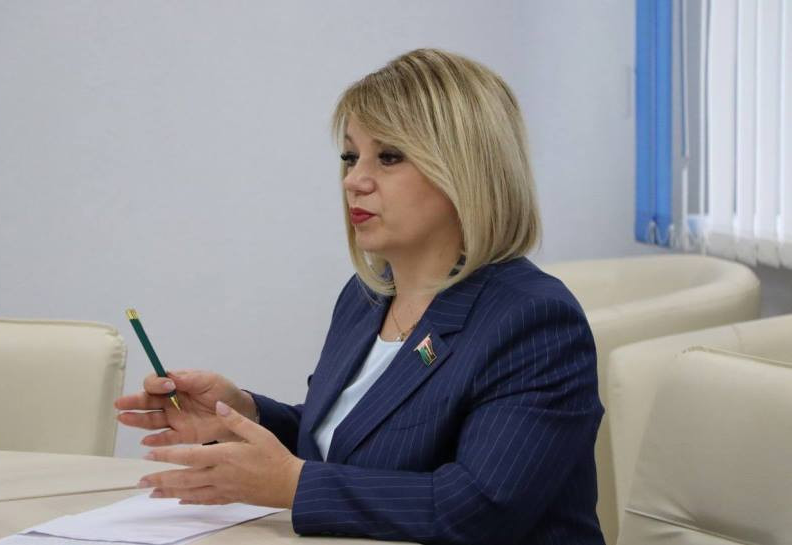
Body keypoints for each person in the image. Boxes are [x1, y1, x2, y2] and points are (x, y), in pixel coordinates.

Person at [115, 48, 605, 545]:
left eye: (388, 157)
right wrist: (242, 415)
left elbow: (479, 507)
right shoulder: (366, 296)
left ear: (465, 168)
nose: (354, 180)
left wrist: (292, 484)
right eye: (350, 157)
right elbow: (355, 441)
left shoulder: (533, 320)